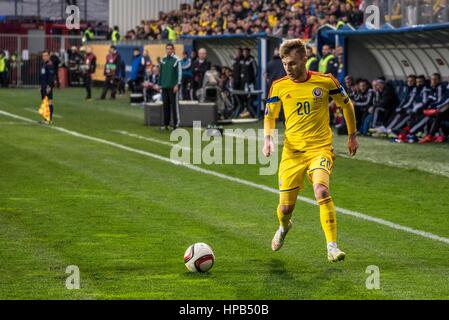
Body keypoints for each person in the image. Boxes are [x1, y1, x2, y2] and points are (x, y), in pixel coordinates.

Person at [263, 39, 358, 262]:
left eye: (293, 63)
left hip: (320, 150)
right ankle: (284, 227)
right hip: (292, 154)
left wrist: (352, 135)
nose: (288, 68)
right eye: (285, 64)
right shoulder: (279, 85)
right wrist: (267, 140)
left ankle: (332, 246)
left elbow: (346, 104)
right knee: (285, 209)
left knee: (321, 191)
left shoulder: (325, 81)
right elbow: (269, 116)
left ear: (305, 59)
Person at [158, 43, 182, 130]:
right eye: (167, 48)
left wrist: (177, 84)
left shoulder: (177, 60)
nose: (168, 50)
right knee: (165, 105)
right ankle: (166, 124)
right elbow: (161, 72)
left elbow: (179, 73)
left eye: (170, 49)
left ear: (173, 50)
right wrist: (159, 84)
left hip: (173, 86)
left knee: (174, 106)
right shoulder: (163, 59)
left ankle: (176, 124)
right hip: (164, 86)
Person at [39, 50, 56, 124]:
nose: (44, 57)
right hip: (43, 86)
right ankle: (46, 119)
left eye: (46, 55)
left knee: (49, 102)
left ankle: (50, 119)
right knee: (44, 103)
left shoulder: (50, 64)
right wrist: (41, 86)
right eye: (43, 56)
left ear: (49, 56)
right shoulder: (44, 64)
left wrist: (49, 86)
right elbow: (43, 76)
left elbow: (51, 77)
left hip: (47, 87)